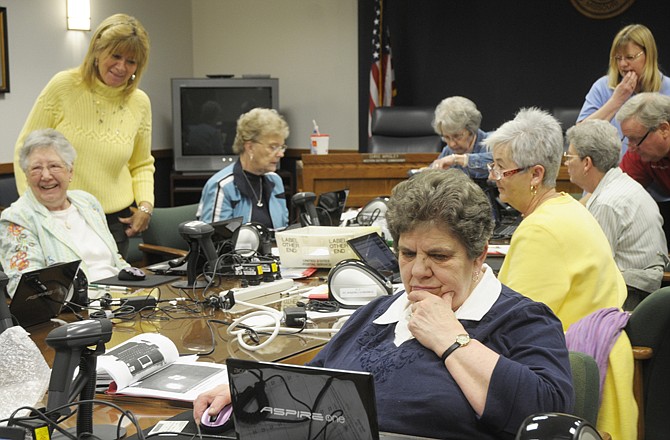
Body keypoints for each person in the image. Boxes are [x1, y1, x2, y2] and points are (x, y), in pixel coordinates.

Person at [194, 169, 575, 439]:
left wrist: (451, 340)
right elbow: (311, 388)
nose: (418, 271)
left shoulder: (522, 319)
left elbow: (547, 417)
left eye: (439, 257)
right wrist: (254, 392)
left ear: (478, 258)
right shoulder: (376, 315)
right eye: (408, 253)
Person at [484, 108, 635, 439]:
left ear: (536, 174)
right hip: (595, 363)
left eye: (501, 168)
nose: (493, 177)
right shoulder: (568, 207)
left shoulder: (541, 229)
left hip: (570, 377)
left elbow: (509, 327)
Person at [12, 13, 154, 259]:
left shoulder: (140, 103)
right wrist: (33, 208)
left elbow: (141, 164)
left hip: (113, 224)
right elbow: (25, 149)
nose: (122, 67)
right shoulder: (64, 86)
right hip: (61, 216)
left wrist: (146, 206)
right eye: (116, 56)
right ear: (97, 50)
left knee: (110, 293)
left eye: (131, 61)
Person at [1, 129, 128, 298]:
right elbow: (24, 287)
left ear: (70, 171)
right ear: (26, 176)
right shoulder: (17, 217)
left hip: (122, 296)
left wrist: (139, 285)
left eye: (54, 166)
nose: (46, 176)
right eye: (36, 168)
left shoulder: (88, 203)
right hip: (76, 311)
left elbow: (116, 260)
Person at [565, 119, 667, 309]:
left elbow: (593, 269)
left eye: (569, 157)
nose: (567, 163)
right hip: (637, 290)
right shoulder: (620, 184)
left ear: (587, 163)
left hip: (628, 296)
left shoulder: (607, 203)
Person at [578, 24, 670, 155]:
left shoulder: (667, 87)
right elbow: (579, 137)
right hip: (614, 170)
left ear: (648, 55)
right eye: (618, 58)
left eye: (629, 57)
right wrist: (616, 100)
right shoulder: (603, 86)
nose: (622, 64)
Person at [197, 108, 289, 230]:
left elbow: (283, 231)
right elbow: (215, 243)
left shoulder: (275, 181)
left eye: (281, 147)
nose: (281, 154)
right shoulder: (223, 186)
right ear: (250, 147)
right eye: (273, 147)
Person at [616, 92, 670, 249]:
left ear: (664, 129)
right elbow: (615, 190)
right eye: (627, 139)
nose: (631, 147)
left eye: (635, 139)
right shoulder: (639, 153)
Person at [430, 96, 492, 179]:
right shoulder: (448, 151)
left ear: (471, 130)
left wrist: (459, 159)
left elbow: (497, 163)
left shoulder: (493, 142)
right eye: (446, 137)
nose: (452, 144)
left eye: (457, 136)